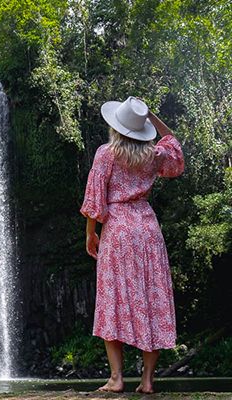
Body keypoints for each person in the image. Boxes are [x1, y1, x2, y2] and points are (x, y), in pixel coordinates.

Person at [79, 96, 184, 394]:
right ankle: (148, 380)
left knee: (113, 299)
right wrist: (150, 116)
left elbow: (94, 201)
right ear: (142, 129)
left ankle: (116, 378)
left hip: (118, 230)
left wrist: (90, 233)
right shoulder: (154, 155)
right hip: (147, 228)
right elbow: (173, 143)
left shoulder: (106, 154)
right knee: (151, 298)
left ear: (117, 127)